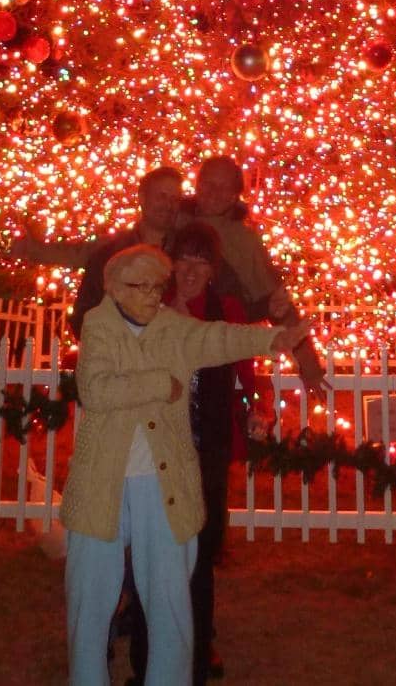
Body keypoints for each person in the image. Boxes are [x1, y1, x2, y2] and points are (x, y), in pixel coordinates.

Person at [61, 243, 307, 686]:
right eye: (141, 285)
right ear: (113, 287)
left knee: (170, 595)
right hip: (104, 482)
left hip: (163, 480)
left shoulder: (174, 328)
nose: (153, 295)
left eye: (159, 285)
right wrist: (161, 383)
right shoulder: (98, 326)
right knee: (90, 598)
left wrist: (272, 339)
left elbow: (218, 337)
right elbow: (96, 389)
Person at [127, 222, 255, 686]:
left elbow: (244, 378)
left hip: (205, 456)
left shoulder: (227, 310)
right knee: (149, 562)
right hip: (153, 458)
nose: (192, 270)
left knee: (198, 564)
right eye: (184, 259)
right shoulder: (143, 311)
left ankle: (196, 660)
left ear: (213, 269)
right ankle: (145, 667)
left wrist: (253, 414)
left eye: (203, 261)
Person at [181, 155, 328, 394]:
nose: (214, 192)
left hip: (223, 356)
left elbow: (276, 303)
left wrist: (308, 364)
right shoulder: (174, 225)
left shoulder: (244, 242)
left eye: (223, 187)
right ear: (197, 184)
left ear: (233, 195)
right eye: (208, 184)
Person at [9, 166, 184, 336]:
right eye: (161, 196)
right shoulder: (111, 252)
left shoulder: (185, 254)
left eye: (175, 199)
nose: (168, 205)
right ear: (142, 199)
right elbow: (85, 310)